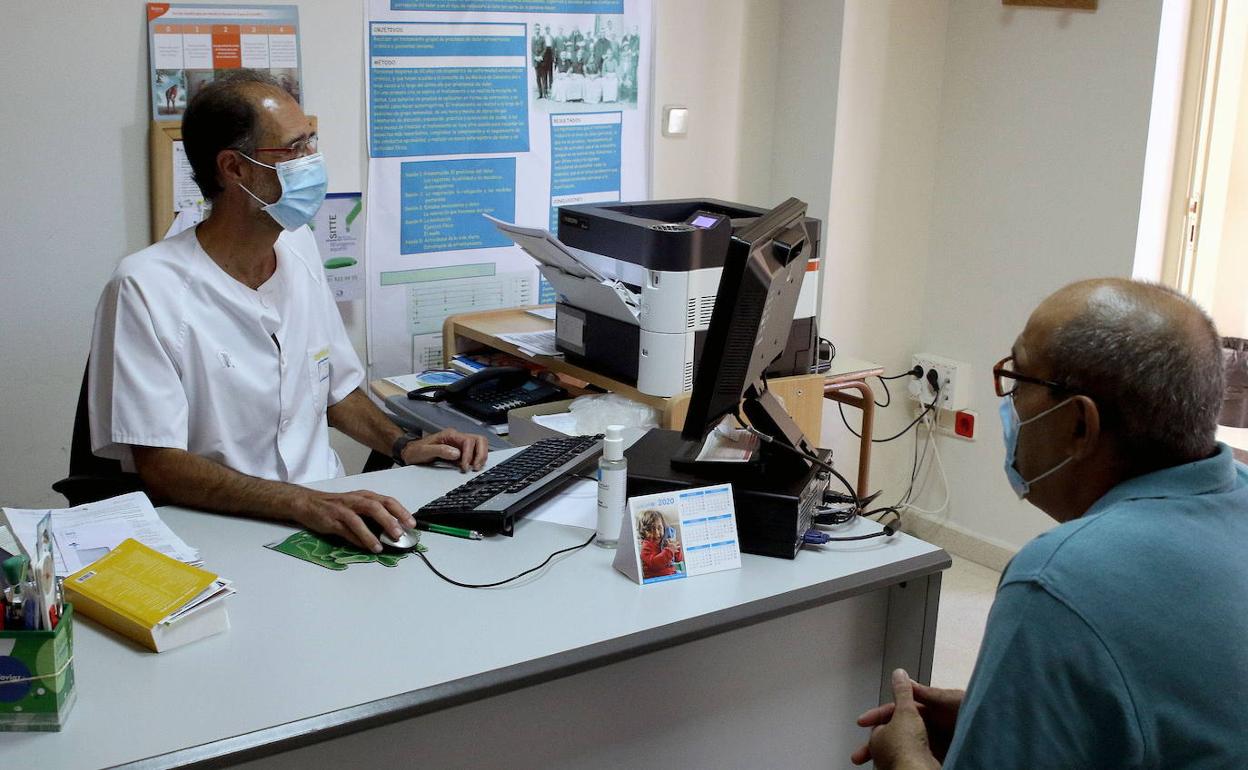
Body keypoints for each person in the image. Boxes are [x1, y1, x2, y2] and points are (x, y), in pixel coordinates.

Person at [853, 278, 1248, 769]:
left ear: (1080, 425)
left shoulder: (1059, 581)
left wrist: (904, 758)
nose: (1008, 402)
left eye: (1018, 379)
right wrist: (997, 715)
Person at [88, 70, 487, 554]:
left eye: (312, 142)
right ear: (234, 169)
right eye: (295, 149)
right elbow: (161, 464)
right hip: (220, 529)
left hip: (329, 513)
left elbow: (335, 390)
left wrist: (402, 444)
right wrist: (302, 503)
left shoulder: (297, 246)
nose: (313, 162)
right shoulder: (144, 286)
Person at [637, 509, 683, 579]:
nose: (657, 533)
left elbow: (678, 559)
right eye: (650, 530)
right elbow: (655, 564)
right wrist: (669, 551)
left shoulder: (665, 541)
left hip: (671, 574)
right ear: (643, 531)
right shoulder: (646, 547)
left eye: (659, 528)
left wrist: (676, 549)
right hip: (656, 578)